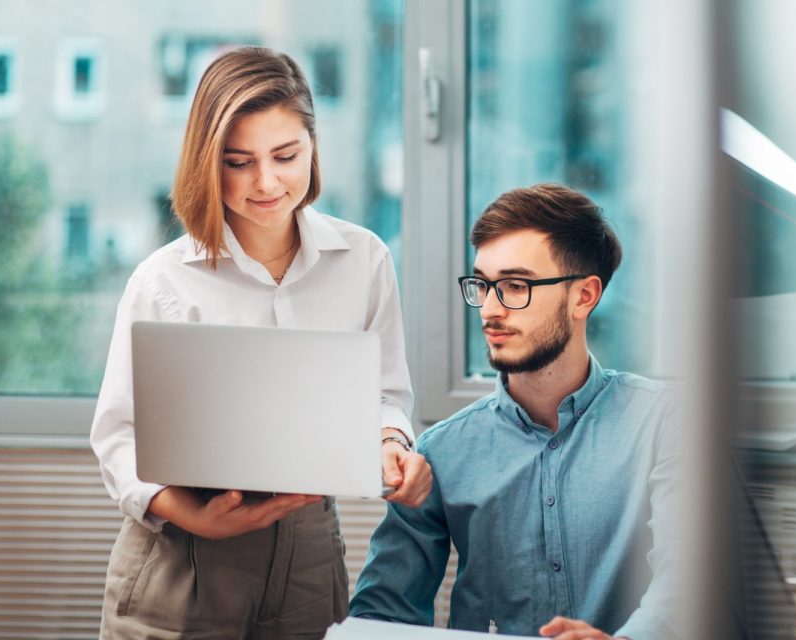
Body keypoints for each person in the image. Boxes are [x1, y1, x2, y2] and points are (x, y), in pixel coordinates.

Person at [90, 46, 431, 639]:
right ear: (206, 162)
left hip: (309, 548)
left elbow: (384, 395)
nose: (267, 182)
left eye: (285, 155)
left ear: (313, 148)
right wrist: (192, 515)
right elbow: (118, 434)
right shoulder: (163, 280)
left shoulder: (365, 260)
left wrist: (392, 445)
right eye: (239, 161)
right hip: (183, 549)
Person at [349, 183, 680, 639]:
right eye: (482, 285)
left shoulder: (664, 424)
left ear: (584, 296)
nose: (488, 309)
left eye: (514, 286)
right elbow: (382, 611)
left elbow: (689, 577)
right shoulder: (442, 451)